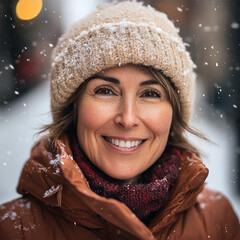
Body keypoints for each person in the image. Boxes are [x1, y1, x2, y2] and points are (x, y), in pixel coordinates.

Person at [0, 1, 239, 239]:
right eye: (105, 91)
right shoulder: (15, 229)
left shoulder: (216, 221)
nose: (128, 118)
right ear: (73, 106)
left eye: (150, 94)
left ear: (174, 112)